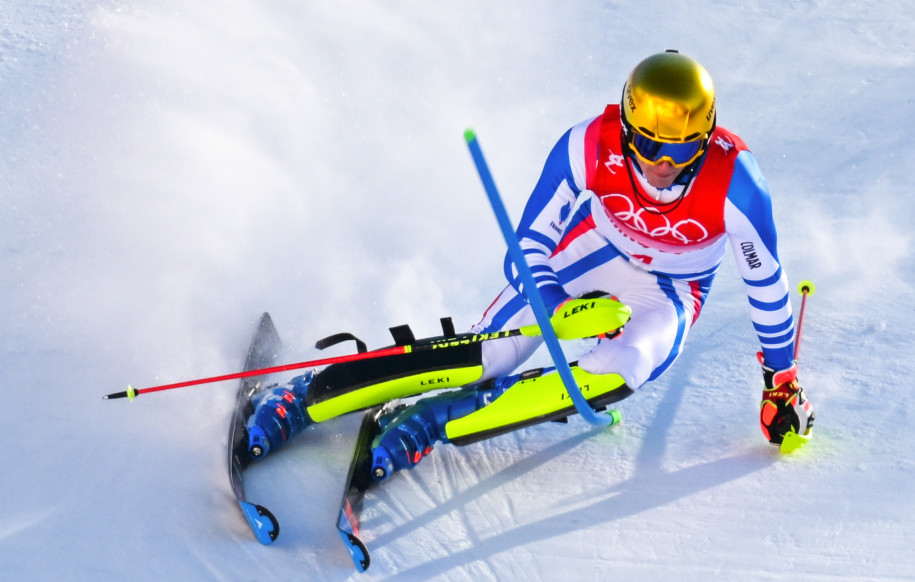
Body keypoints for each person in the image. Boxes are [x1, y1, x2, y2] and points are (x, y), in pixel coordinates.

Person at [246, 50, 815, 481]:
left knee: (621, 368)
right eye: (648, 144)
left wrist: (781, 382)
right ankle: (306, 394)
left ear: (707, 139)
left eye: (683, 150)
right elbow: (529, 245)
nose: (664, 165)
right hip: (583, 255)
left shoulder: (736, 182)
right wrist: (552, 298)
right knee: (487, 355)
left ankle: (429, 422)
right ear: (625, 126)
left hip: (670, 289)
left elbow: (765, 283)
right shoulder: (589, 146)